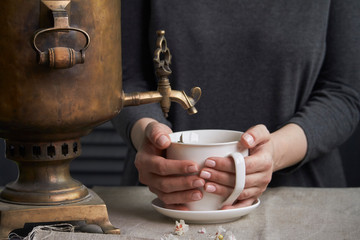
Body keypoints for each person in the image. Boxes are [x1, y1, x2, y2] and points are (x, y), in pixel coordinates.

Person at [112, 0, 360, 209]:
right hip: (163, 198)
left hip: (301, 203)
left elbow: (343, 92)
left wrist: (274, 155)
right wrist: (148, 134)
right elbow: (124, 80)